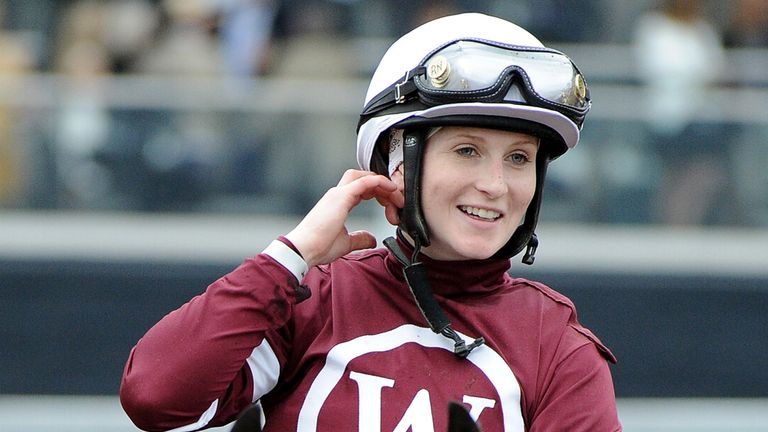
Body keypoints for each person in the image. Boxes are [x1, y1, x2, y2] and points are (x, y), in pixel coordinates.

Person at [120, 13, 620, 431]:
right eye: (467, 151)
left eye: (518, 158)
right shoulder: (314, 299)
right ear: (396, 164)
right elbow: (155, 397)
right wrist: (289, 258)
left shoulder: (556, 346)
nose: (495, 184)